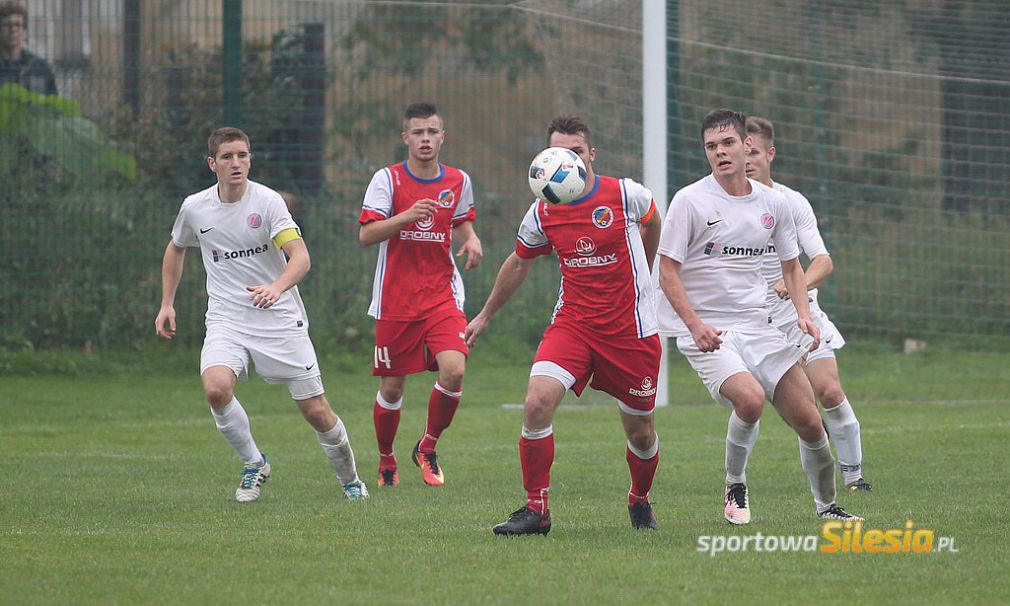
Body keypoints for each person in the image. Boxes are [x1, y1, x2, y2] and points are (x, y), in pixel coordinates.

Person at [656, 108, 861, 524]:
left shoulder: (773, 204)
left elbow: (791, 266)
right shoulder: (690, 201)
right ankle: (735, 483)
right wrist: (695, 326)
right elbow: (666, 271)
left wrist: (805, 315)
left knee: (810, 423)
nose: (720, 153)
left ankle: (829, 508)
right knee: (749, 400)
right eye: (711, 147)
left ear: (746, 146)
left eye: (727, 143)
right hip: (710, 329)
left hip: (760, 324)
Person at [466, 115, 664, 535]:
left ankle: (639, 498)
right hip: (573, 325)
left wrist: (644, 273)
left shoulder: (625, 194)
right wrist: (484, 315)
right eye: (558, 154)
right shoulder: (543, 209)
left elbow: (653, 221)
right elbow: (519, 262)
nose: (567, 161)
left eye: (575, 152)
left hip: (631, 331)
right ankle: (537, 510)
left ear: (590, 154)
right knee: (537, 402)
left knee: (641, 432)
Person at [155, 127, 368, 503]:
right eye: (227, 157)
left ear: (249, 159)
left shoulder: (267, 203)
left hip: (278, 318)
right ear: (212, 164)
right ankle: (254, 463)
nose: (236, 163)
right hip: (226, 318)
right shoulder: (195, 207)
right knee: (216, 389)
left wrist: (276, 287)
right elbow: (176, 248)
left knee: (316, 411)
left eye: (242, 155)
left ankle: (350, 480)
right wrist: (167, 303)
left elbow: (300, 257)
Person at [358, 102, 483, 488]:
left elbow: (460, 221)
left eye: (432, 131)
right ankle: (385, 459)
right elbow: (367, 234)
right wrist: (405, 217)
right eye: (418, 132)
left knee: (455, 370)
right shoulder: (387, 180)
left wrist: (472, 240)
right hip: (395, 300)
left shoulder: (458, 180)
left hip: (441, 296)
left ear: (442, 136)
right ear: (405, 138)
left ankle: (427, 447)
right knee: (392, 387)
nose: (425, 139)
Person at [745, 116, 871, 492]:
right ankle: (737, 483)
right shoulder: (724, 205)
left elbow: (822, 261)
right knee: (789, 410)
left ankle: (855, 477)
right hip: (752, 319)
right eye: (741, 151)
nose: (746, 159)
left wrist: (794, 284)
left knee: (829, 390)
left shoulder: (791, 202)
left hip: (798, 312)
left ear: (771, 154)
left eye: (753, 152)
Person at [0, 1, 57, 96]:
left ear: (24, 30)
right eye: (7, 25)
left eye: (17, 25)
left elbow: (52, 105)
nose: (13, 30)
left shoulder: (40, 67)